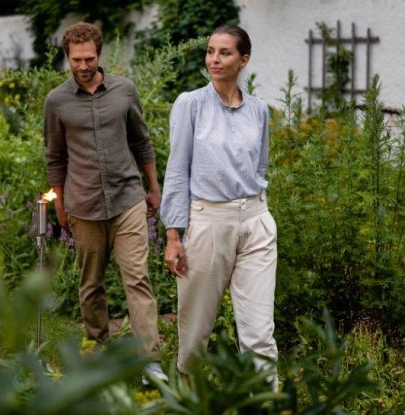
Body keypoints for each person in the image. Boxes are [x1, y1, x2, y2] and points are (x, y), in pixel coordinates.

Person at [43, 22, 167, 385]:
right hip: (83, 204)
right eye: (76, 60)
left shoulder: (124, 90)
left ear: (100, 54)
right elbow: (55, 156)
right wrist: (60, 205)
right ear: (67, 57)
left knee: (138, 279)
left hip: (127, 199)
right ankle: (98, 351)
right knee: (91, 284)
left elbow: (141, 141)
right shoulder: (56, 102)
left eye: (89, 59)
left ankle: (150, 362)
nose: (83, 66)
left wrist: (154, 187)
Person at [160, 24, 278, 384]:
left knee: (259, 331)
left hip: (256, 223)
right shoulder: (191, 104)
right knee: (196, 329)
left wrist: (255, 209)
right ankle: (188, 396)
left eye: (225, 53)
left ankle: (266, 402)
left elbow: (261, 166)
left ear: (243, 60)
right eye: (210, 51)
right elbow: (177, 171)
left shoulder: (259, 110)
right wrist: (173, 236)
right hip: (208, 222)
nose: (214, 59)